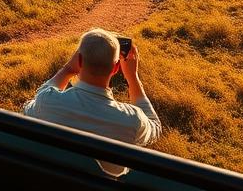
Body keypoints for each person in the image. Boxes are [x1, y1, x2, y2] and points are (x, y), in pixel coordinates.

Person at [22, 27, 161, 176]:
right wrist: (132, 77)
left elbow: (30, 106)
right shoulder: (132, 119)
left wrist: (68, 69)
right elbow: (155, 127)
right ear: (115, 68)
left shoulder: (47, 101)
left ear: (79, 61)